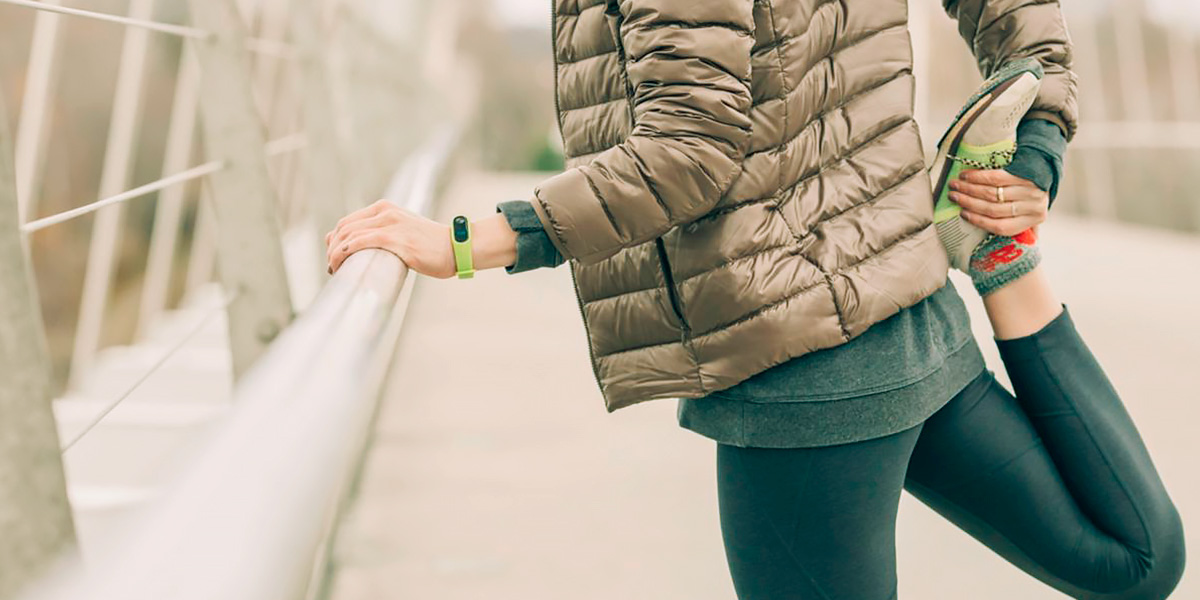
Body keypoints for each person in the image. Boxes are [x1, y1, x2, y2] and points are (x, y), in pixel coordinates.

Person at [324, 0, 1185, 597]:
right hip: (916, 319)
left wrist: (467, 243)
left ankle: (993, 254)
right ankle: (999, 262)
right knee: (1133, 558)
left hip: (800, 371)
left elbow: (688, 154)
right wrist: (1035, 143)